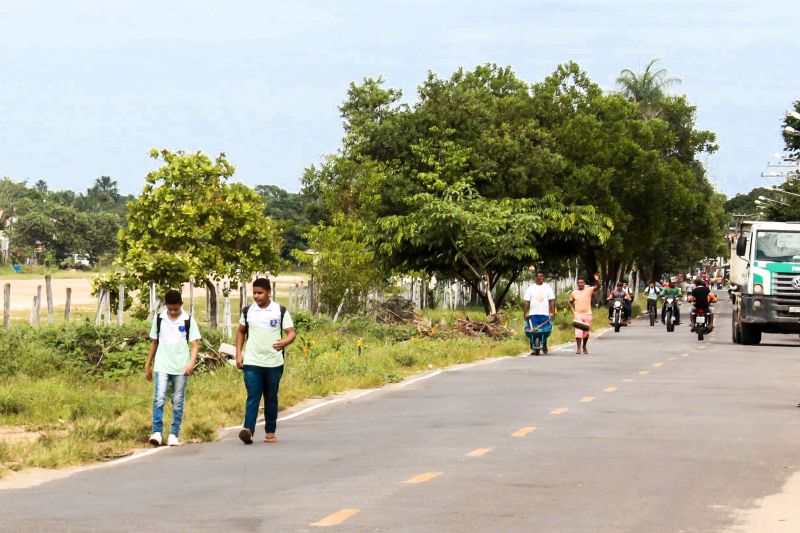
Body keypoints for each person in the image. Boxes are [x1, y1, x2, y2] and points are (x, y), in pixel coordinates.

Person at [236, 278, 296, 445]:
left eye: (260, 293)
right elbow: (241, 332)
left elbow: (291, 332)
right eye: (254, 292)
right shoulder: (248, 311)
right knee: (253, 396)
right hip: (252, 362)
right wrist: (239, 354)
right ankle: (248, 430)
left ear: (269, 293)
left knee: (271, 397)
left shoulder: (280, 311)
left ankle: (270, 432)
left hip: (274, 363)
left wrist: (285, 342)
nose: (257, 296)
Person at [145, 289, 201, 447]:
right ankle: (156, 432)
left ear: (181, 305)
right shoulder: (159, 319)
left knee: (177, 401)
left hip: (181, 367)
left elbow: (195, 345)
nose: (173, 312)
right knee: (159, 398)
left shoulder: (188, 320)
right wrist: (148, 364)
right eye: (170, 309)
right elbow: (154, 342)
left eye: (176, 309)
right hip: (162, 365)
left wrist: (191, 363)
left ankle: (173, 434)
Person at [522, 270, 555, 355]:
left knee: (544, 330)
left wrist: (553, 312)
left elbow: (551, 300)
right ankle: (533, 348)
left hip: (544, 314)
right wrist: (525, 313)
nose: (541, 278)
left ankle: (544, 345)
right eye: (540, 276)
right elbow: (526, 301)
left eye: (543, 276)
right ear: (535, 278)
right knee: (533, 331)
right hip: (533, 314)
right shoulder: (530, 288)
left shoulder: (547, 288)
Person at [568, 274, 602, 354]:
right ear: (577, 284)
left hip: (587, 314)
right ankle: (578, 348)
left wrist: (597, 280)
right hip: (578, 315)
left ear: (584, 283)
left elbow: (598, 287)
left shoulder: (589, 290)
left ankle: (584, 346)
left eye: (581, 282)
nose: (580, 284)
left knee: (586, 333)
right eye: (578, 283)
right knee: (578, 332)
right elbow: (570, 302)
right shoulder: (574, 293)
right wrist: (573, 311)